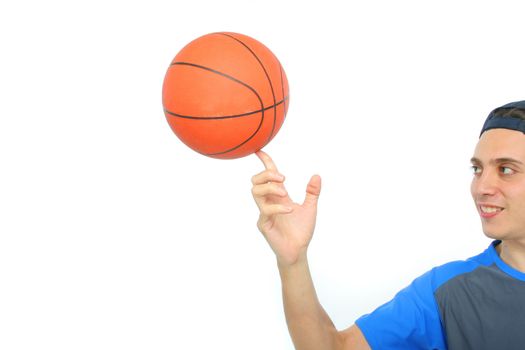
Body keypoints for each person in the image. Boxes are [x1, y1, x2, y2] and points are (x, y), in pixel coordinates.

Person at [250, 100, 525, 350]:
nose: (482, 187)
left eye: (506, 170)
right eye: (477, 169)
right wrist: (293, 260)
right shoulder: (449, 292)